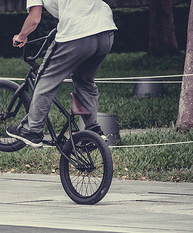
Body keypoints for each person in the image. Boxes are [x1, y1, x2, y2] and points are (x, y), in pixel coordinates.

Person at [6, 0, 117, 148]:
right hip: (106, 31)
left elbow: (34, 20)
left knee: (46, 78)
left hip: (78, 33)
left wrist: (21, 36)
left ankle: (32, 131)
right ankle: (93, 131)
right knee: (84, 79)